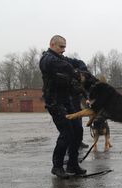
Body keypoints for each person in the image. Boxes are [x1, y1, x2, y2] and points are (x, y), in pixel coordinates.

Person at [39, 35, 88, 178]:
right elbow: (64, 66)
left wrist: (82, 70)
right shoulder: (47, 59)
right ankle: (57, 166)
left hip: (67, 100)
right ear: (52, 44)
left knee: (77, 131)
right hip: (54, 103)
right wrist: (74, 72)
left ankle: (73, 164)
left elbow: (78, 62)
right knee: (66, 133)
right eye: (61, 47)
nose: (63, 50)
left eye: (65, 47)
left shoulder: (61, 58)